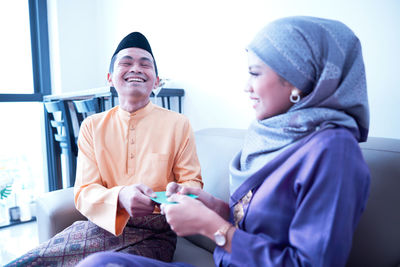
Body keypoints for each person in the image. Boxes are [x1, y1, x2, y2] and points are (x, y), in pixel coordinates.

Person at [76, 16, 370, 267]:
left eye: (255, 73)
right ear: (111, 77)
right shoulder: (273, 136)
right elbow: (262, 224)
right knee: (101, 263)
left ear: (301, 78)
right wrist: (216, 209)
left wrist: (212, 227)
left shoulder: (334, 151)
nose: (247, 86)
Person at [6, 32, 202, 267]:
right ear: (110, 78)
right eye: (126, 63)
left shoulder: (178, 123)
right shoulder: (92, 126)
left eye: (145, 64)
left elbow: (193, 184)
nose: (136, 68)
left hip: (156, 234)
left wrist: (171, 197)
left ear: (156, 81)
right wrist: (120, 196)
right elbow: (84, 191)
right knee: (31, 261)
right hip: (101, 226)